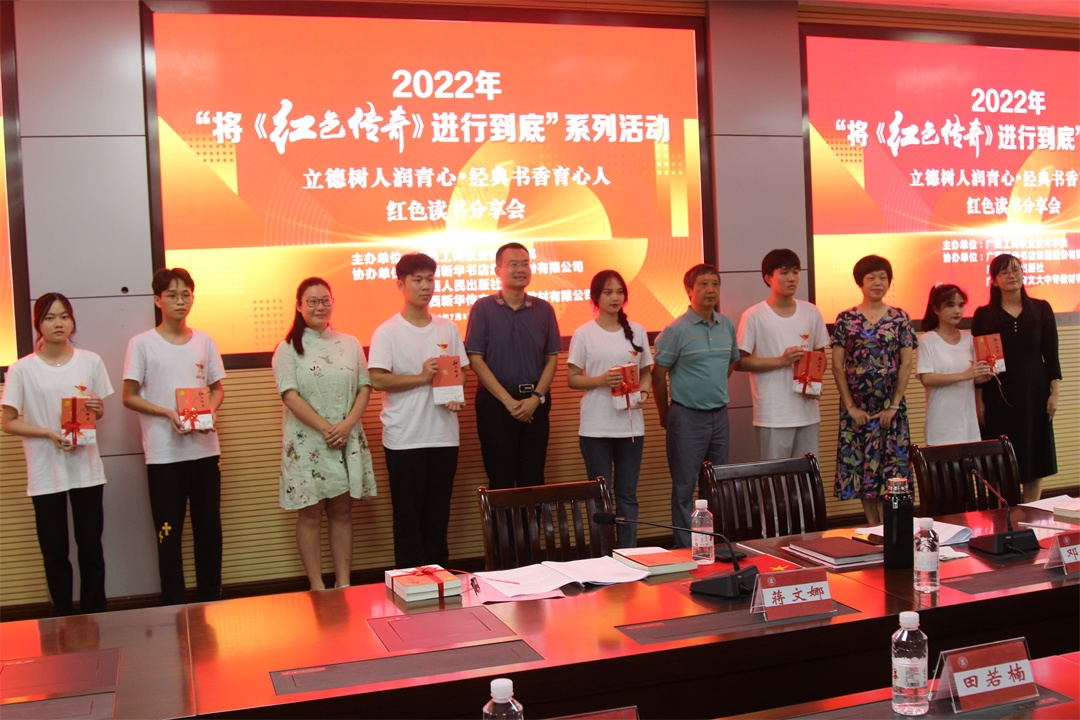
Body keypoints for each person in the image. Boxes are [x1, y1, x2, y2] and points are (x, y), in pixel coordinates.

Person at [1, 293, 112, 616]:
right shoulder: (22, 369)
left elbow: (99, 411)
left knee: (91, 547)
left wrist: (97, 408)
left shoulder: (90, 361)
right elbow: (8, 422)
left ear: (72, 321)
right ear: (38, 324)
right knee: (54, 552)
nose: (58, 323)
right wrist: (49, 433)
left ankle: (95, 614)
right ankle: (63, 617)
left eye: (64, 316)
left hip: (86, 469)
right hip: (45, 470)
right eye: (49, 317)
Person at [123, 268, 225, 604]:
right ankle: (174, 607)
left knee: (209, 530)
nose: (180, 301)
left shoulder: (204, 341)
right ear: (158, 300)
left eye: (186, 295)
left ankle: (211, 600)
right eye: (172, 295)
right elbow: (128, 397)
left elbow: (217, 389)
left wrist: (210, 411)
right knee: (168, 533)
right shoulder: (141, 344)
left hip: (205, 450)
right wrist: (167, 413)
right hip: (164, 454)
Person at [272, 277, 377, 590]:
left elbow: (364, 387)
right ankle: (317, 586)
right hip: (308, 441)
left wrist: (346, 426)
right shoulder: (287, 348)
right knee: (310, 513)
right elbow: (289, 395)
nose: (320, 306)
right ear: (299, 306)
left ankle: (344, 584)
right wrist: (325, 428)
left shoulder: (349, 343)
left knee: (342, 511)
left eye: (325, 300)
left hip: (345, 437)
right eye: (312, 301)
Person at [369, 253, 468, 568]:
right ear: (401, 284)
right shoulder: (387, 331)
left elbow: (460, 373)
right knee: (408, 519)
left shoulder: (447, 327)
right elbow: (377, 379)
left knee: (438, 516)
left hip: (443, 435)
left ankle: (440, 580)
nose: (426, 286)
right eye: (418, 280)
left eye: (430, 279)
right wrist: (421, 378)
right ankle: (411, 583)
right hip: (405, 438)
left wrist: (455, 394)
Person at [652, 264, 740, 548]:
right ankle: (684, 548)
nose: (711, 290)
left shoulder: (727, 325)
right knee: (684, 487)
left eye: (715, 284)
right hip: (686, 416)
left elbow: (730, 364)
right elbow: (658, 374)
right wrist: (665, 414)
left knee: (714, 484)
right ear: (689, 290)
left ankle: (710, 545)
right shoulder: (675, 330)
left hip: (720, 416)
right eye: (703, 284)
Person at [567, 270, 654, 548]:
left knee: (628, 495)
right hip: (596, 427)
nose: (615, 297)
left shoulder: (637, 331)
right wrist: (601, 380)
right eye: (607, 292)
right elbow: (572, 378)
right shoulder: (583, 334)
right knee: (600, 496)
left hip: (630, 426)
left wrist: (644, 392)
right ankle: (603, 555)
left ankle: (628, 553)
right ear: (595, 297)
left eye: (619, 292)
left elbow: (646, 371)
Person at [465, 242, 561, 489]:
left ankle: (532, 520)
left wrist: (536, 399)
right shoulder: (482, 308)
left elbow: (551, 358)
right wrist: (508, 401)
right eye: (513, 264)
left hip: (535, 403)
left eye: (525, 264)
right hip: (496, 405)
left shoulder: (544, 309)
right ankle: (503, 519)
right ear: (498, 270)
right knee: (501, 481)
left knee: (534, 480)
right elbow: (475, 359)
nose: (521, 269)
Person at [830, 255, 917, 525]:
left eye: (883, 277)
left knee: (893, 470)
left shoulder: (900, 318)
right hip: (858, 412)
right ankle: (873, 527)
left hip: (891, 410)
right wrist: (850, 407)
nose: (878, 283)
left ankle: (892, 528)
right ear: (861, 282)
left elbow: (906, 364)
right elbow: (837, 366)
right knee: (862, 470)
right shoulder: (845, 319)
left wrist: (894, 406)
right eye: (871, 278)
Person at [972, 254, 1061, 502]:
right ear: (994, 280)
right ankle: (1006, 516)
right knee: (1000, 462)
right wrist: (979, 399)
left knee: (1034, 458)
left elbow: (1051, 354)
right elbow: (981, 362)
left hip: (1035, 393)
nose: (1012, 275)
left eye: (1016, 270)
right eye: (1004, 272)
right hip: (998, 395)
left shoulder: (1041, 309)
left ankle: (1031, 514)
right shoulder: (984, 315)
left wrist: (1055, 393)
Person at [735, 249, 830, 460]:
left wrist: (815, 383)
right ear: (768, 278)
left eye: (796, 272)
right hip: (773, 413)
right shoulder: (754, 316)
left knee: (807, 475)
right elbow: (738, 362)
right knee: (775, 475)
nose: (792, 278)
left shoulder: (811, 311)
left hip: (807, 411)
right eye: (784, 272)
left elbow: (821, 356)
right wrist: (781, 361)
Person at [916, 284, 990, 446]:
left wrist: (986, 374)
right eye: (950, 305)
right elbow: (927, 379)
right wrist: (965, 375)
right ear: (936, 309)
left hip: (967, 424)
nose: (957, 311)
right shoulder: (927, 340)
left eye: (960, 305)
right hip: (941, 424)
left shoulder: (969, 339)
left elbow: (975, 378)